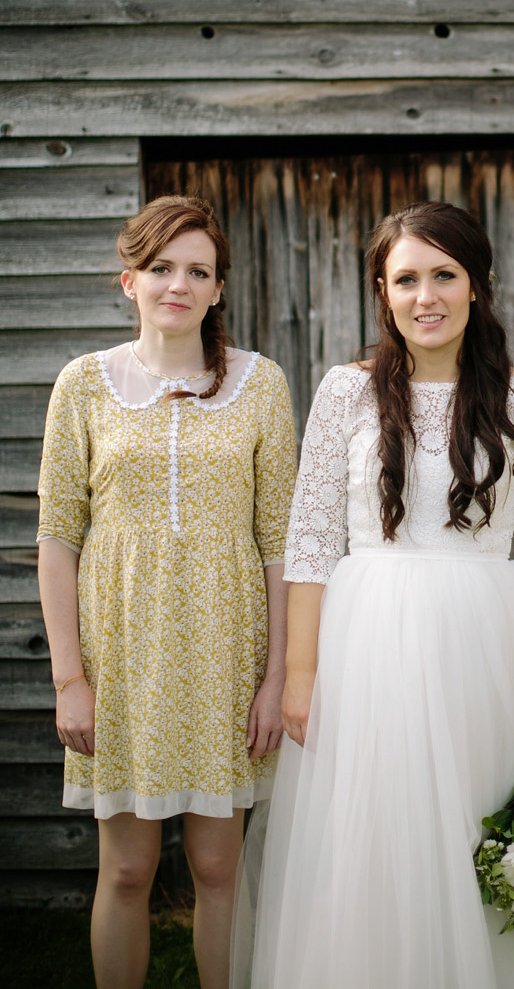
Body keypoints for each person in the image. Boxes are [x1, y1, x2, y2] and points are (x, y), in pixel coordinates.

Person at [234, 201, 514, 989]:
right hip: (365, 643)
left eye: (445, 275)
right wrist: (300, 673)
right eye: (407, 279)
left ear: (478, 286)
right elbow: (310, 539)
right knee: (377, 833)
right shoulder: (346, 392)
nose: (425, 296)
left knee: (482, 822)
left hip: (487, 645)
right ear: (382, 290)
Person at [37, 195, 297, 989]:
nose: (177, 285)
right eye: (160, 269)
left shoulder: (261, 385)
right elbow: (57, 536)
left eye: (198, 271)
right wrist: (69, 678)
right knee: (125, 871)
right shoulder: (83, 386)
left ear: (219, 289)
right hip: (121, 659)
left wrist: (277, 675)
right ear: (129, 280)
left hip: (226, 657)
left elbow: (280, 544)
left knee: (219, 869)